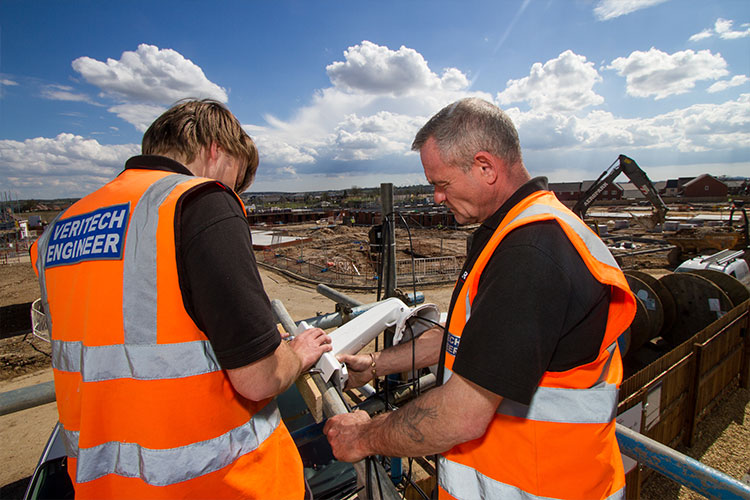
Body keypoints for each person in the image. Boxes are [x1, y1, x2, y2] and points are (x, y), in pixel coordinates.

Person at [324, 97, 636, 500]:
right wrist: (376, 365)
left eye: (441, 183)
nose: (436, 197)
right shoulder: (509, 233)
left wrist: (365, 435)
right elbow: (472, 339)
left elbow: (460, 415)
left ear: (486, 167)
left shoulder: (531, 253)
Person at [30, 99, 332, 499]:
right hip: (220, 485)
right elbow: (259, 377)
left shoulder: (60, 230)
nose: (234, 191)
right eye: (236, 177)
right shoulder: (197, 202)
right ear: (215, 149)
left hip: (103, 486)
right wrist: (297, 352)